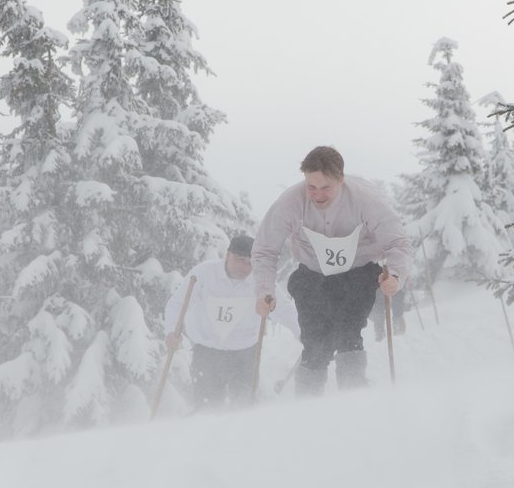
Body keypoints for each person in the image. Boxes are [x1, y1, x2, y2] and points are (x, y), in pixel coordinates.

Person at [252, 146, 412, 395]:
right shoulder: (290, 203)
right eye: (311, 187)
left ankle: (353, 396)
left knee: (349, 334)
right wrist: (263, 291)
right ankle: (307, 404)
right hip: (312, 276)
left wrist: (395, 276)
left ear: (341, 179)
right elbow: (264, 251)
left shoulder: (366, 199)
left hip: (358, 273)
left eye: (326, 187)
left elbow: (397, 242)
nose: (317, 195)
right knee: (315, 344)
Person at [164, 235, 299, 410]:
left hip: (245, 355)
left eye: (250, 262)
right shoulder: (203, 274)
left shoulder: (262, 280)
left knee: (243, 409)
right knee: (207, 410)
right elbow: (177, 304)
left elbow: (283, 309)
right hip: (207, 353)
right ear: (227, 255)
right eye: (240, 260)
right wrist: (171, 331)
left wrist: (304, 333)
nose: (244, 267)